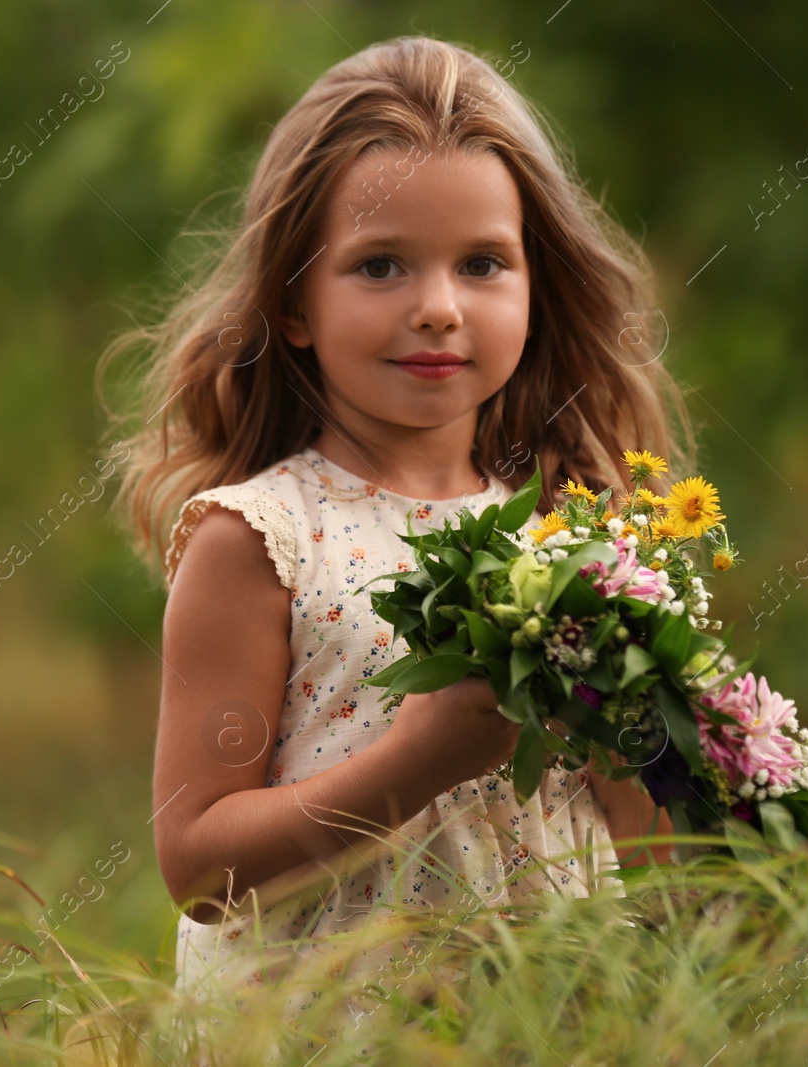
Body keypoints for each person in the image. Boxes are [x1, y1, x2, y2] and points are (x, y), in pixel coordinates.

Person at [102, 33, 692, 1053]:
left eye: (482, 264)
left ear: (535, 288)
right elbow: (197, 865)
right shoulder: (261, 539)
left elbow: (645, 843)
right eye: (379, 264)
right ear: (293, 301)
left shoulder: (577, 531)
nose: (436, 306)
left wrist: (651, 763)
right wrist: (413, 764)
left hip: (543, 1027)